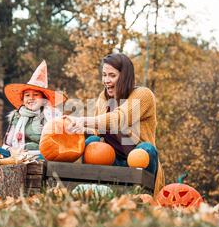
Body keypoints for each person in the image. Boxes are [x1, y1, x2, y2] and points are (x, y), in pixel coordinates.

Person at [64, 53, 165, 196]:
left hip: (139, 160)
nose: (106, 80)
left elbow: (119, 118)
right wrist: (76, 127)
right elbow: (100, 131)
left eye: (112, 75)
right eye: (104, 75)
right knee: (92, 142)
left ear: (125, 77)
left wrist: (83, 120)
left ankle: (142, 196)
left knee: (146, 149)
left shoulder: (143, 95)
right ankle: (94, 192)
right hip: (112, 159)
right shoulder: (103, 98)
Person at [0, 60, 66, 158]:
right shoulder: (17, 116)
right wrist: (12, 151)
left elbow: (55, 143)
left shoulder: (51, 116)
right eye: (27, 95)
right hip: (18, 153)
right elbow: (7, 144)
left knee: (47, 156)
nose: (31, 98)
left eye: (36, 95)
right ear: (23, 99)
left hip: (39, 154)